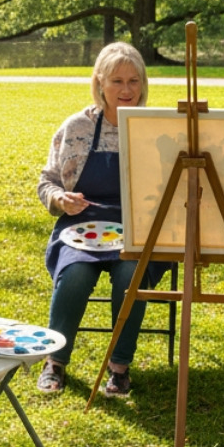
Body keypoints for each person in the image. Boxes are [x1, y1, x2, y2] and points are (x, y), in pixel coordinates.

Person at [36, 42, 166, 396]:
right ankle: (55, 362)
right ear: (100, 84)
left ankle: (119, 368)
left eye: (134, 81)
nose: (126, 90)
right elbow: (47, 180)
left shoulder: (155, 128)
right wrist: (59, 198)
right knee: (76, 276)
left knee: (130, 275)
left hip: (139, 229)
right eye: (117, 81)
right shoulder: (77, 127)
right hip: (81, 225)